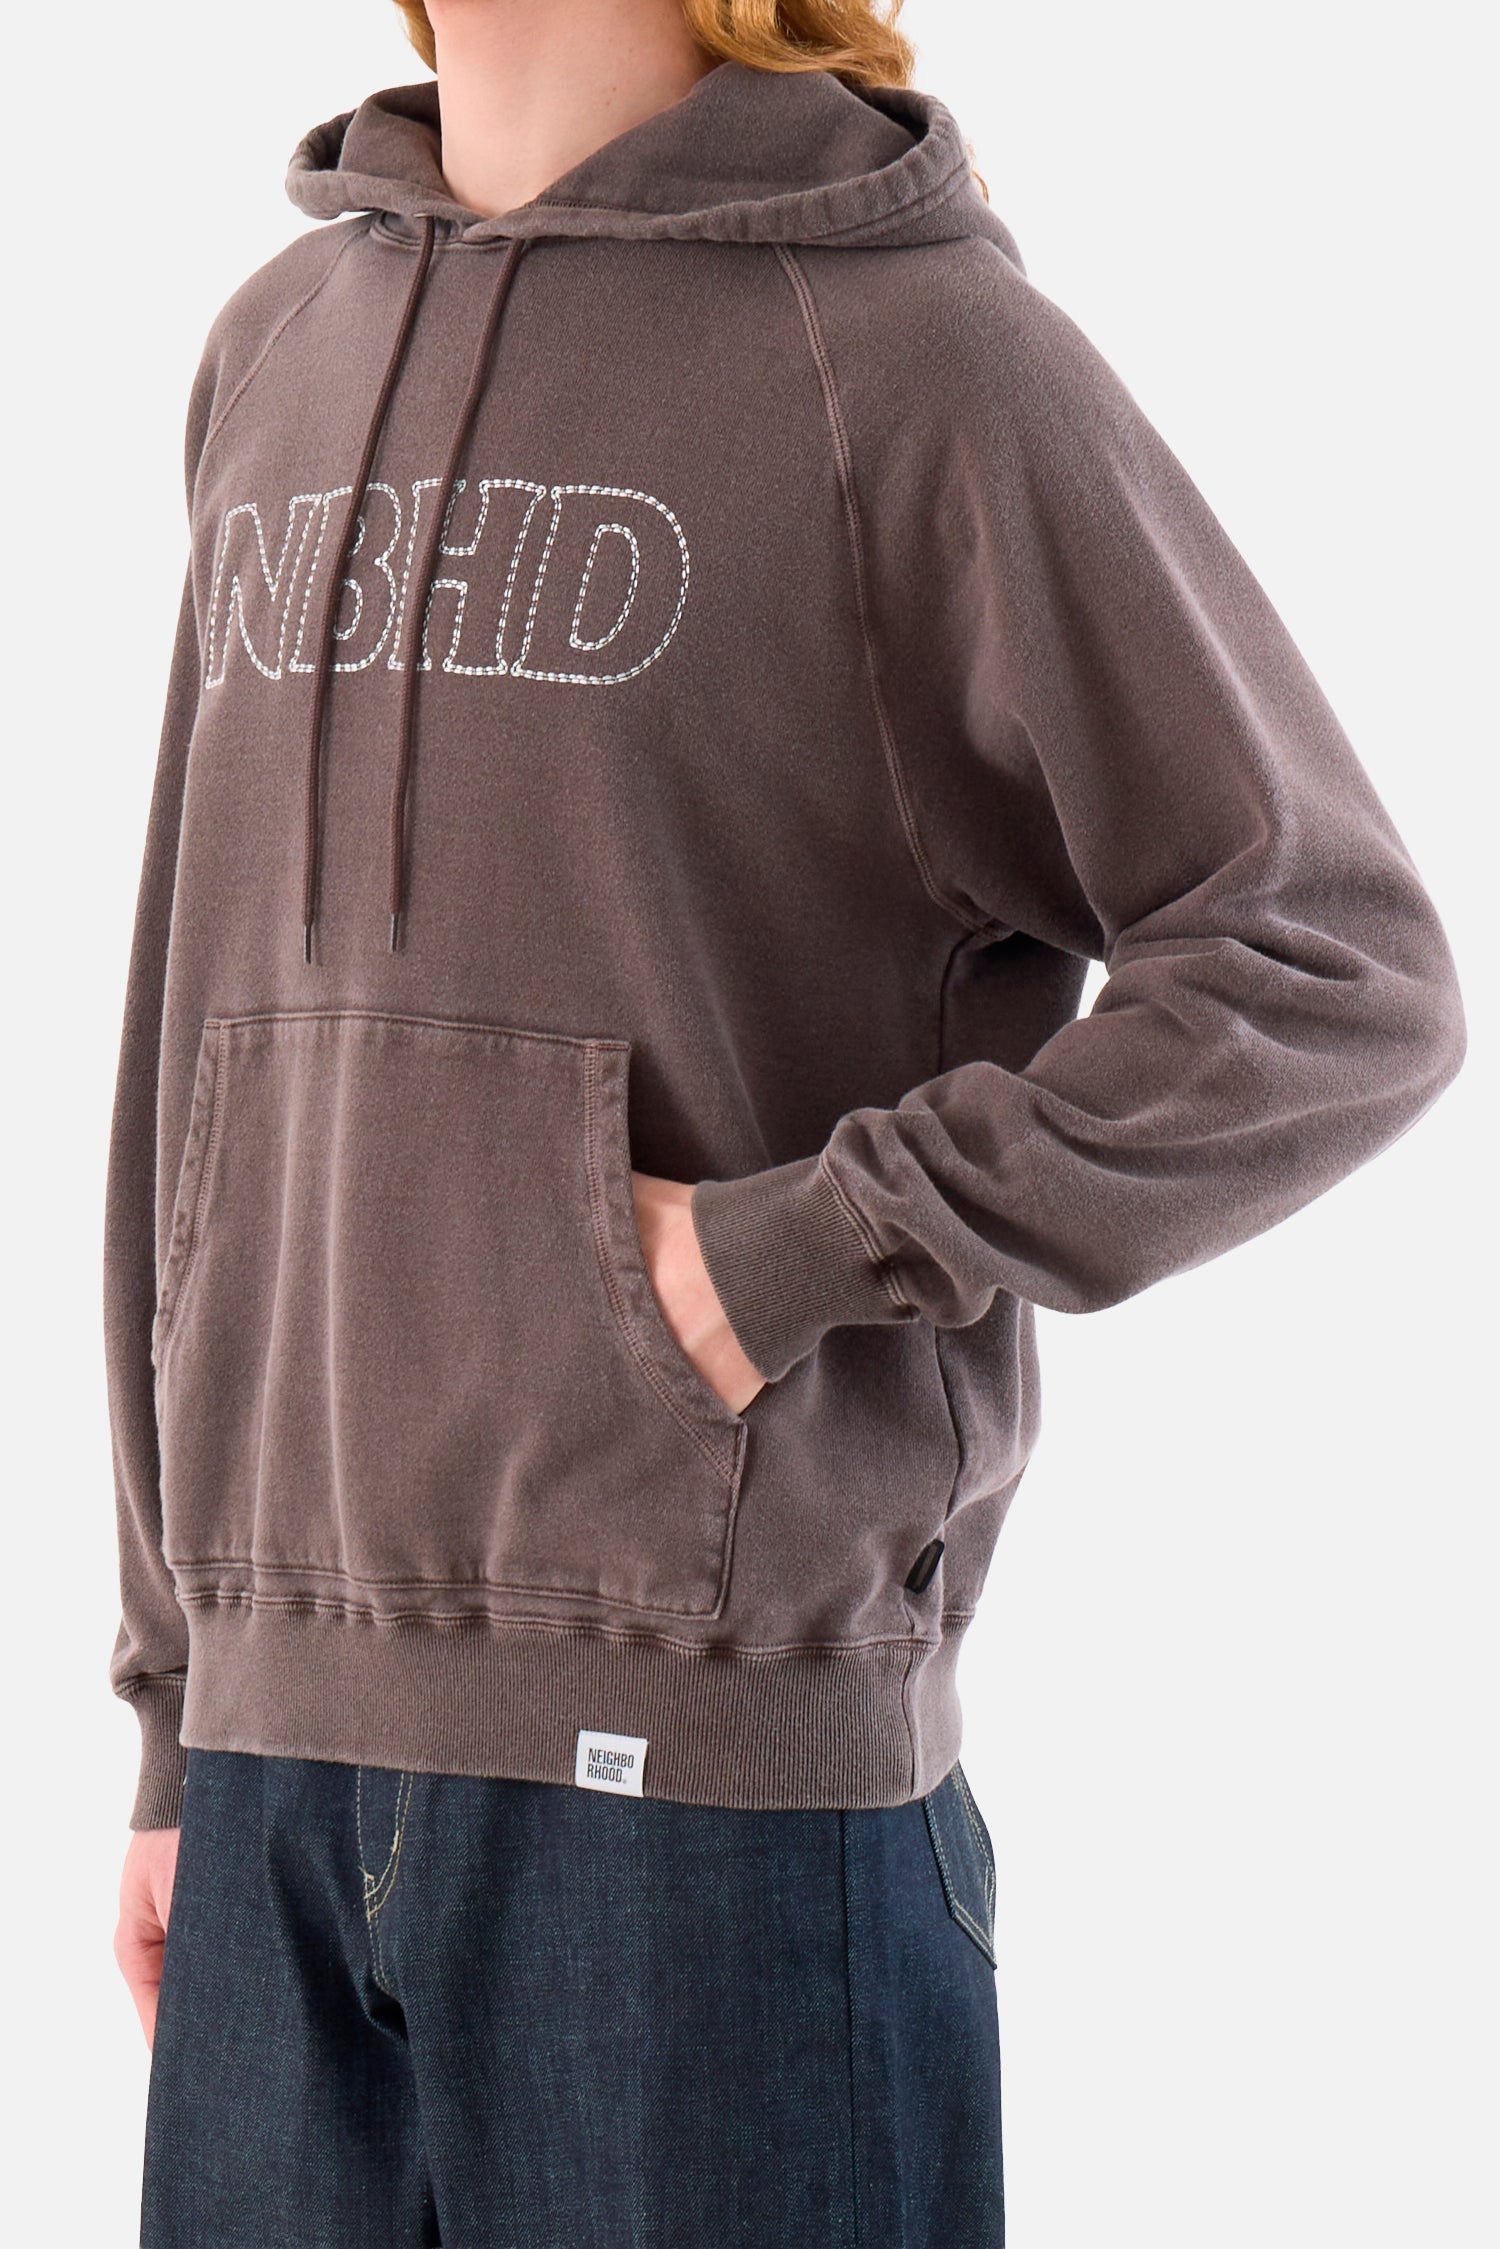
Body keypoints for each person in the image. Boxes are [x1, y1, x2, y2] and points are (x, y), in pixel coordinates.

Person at [105, 0, 1466, 2240]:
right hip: (274, 1775)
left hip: (710, 1786)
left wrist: (788, 1255)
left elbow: (1334, 969)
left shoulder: (914, 356)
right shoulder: (276, 348)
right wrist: (179, 1696)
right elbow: (188, 1036)